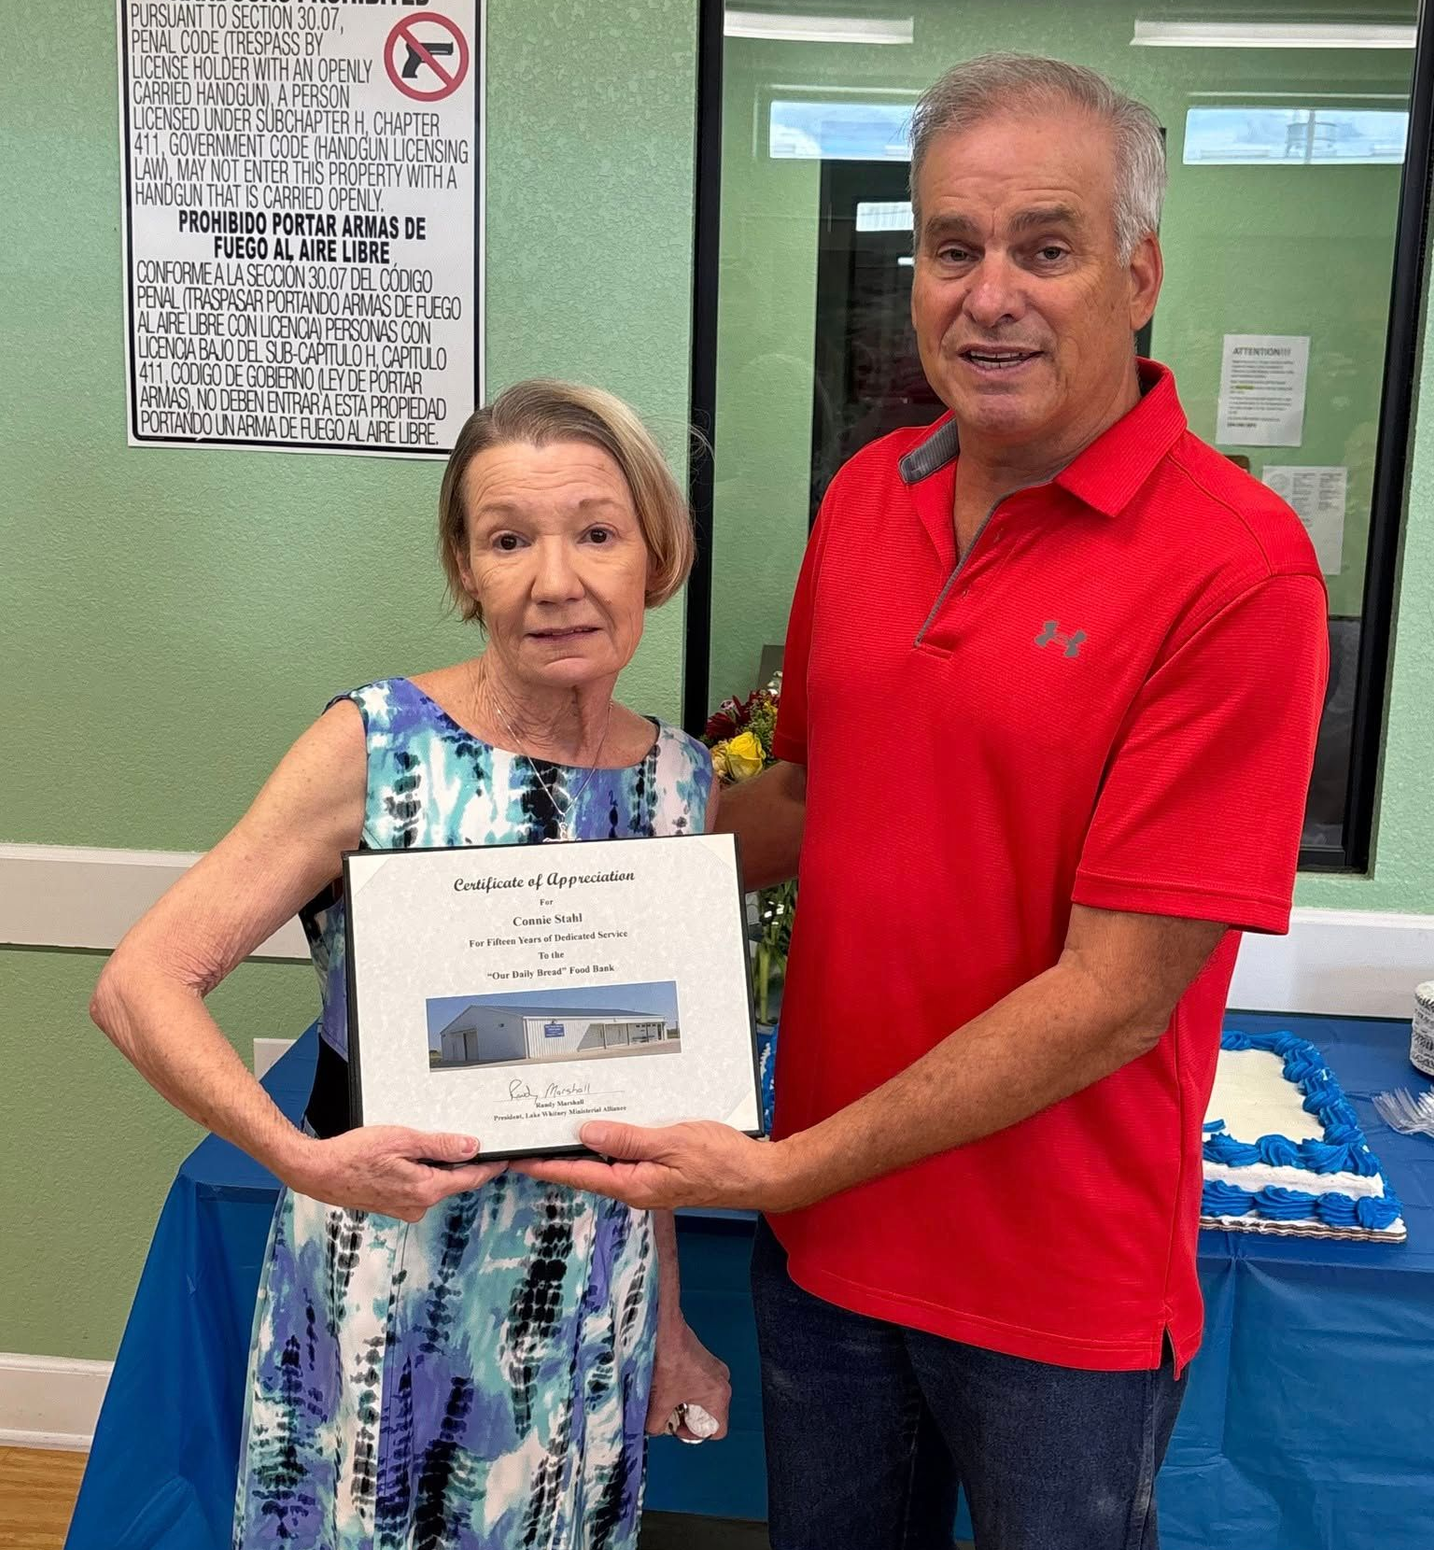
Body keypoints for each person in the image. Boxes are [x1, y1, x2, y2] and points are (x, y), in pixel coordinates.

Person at [516, 55, 1329, 1550]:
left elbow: (1113, 999)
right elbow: (815, 794)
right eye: (950, 248)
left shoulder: (1239, 570)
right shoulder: (866, 497)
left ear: (1136, 273)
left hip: (1051, 1295)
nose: (988, 293)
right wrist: (538, 844)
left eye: (1045, 245)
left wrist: (780, 1167)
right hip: (828, 1260)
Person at [90, 379, 732, 1550]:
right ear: (465, 565)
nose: (555, 579)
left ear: (656, 551)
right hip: (390, 1295)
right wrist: (301, 1156)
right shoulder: (376, 748)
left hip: (594, 1303)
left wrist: (673, 1325)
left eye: (596, 531)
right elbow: (140, 982)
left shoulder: (680, 783)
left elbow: (650, 1093)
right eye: (508, 539)